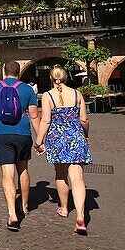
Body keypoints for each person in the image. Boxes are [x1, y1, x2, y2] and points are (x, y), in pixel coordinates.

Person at [35, 65, 92, 235]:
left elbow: (45, 120)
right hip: (76, 137)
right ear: (66, 78)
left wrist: (38, 141)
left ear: (51, 79)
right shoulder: (77, 94)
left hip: (57, 139)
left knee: (60, 174)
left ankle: (64, 208)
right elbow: (84, 120)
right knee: (78, 177)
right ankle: (81, 216)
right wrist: (86, 136)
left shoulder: (47, 96)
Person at [0, 61, 39, 231]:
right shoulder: (28, 90)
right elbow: (34, 116)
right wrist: (40, 139)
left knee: (7, 174)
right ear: (19, 73)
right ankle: (24, 205)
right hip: (23, 133)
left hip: (2, 134)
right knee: (23, 169)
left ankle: (12, 213)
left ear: (4, 72)